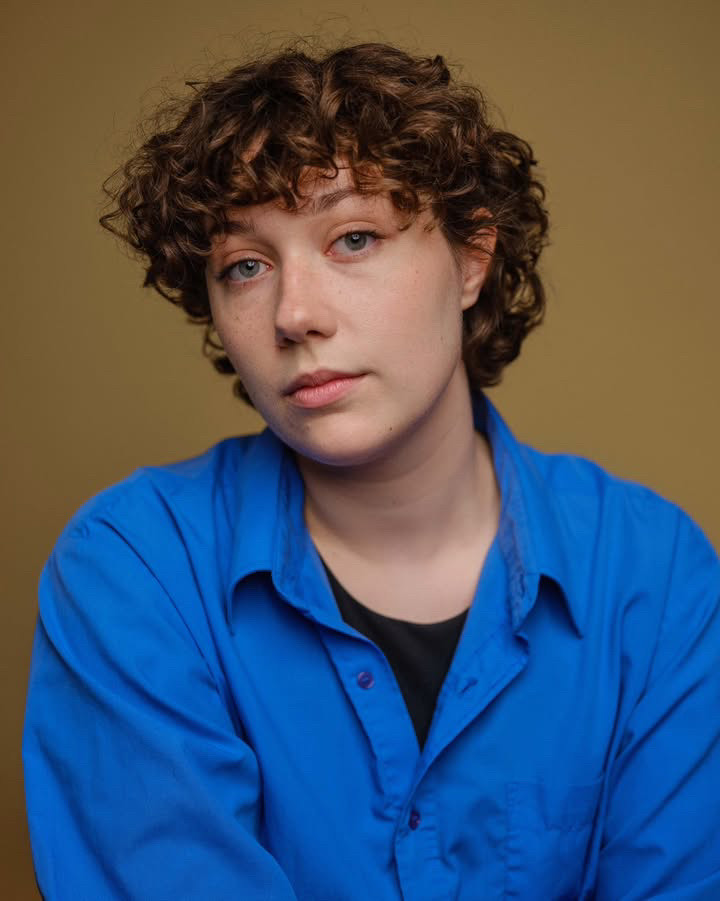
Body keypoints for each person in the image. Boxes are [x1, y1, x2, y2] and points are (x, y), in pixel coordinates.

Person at [23, 41, 720, 900]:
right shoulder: (133, 571)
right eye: (245, 266)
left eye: (353, 238)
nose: (294, 313)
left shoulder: (654, 576)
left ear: (472, 258)